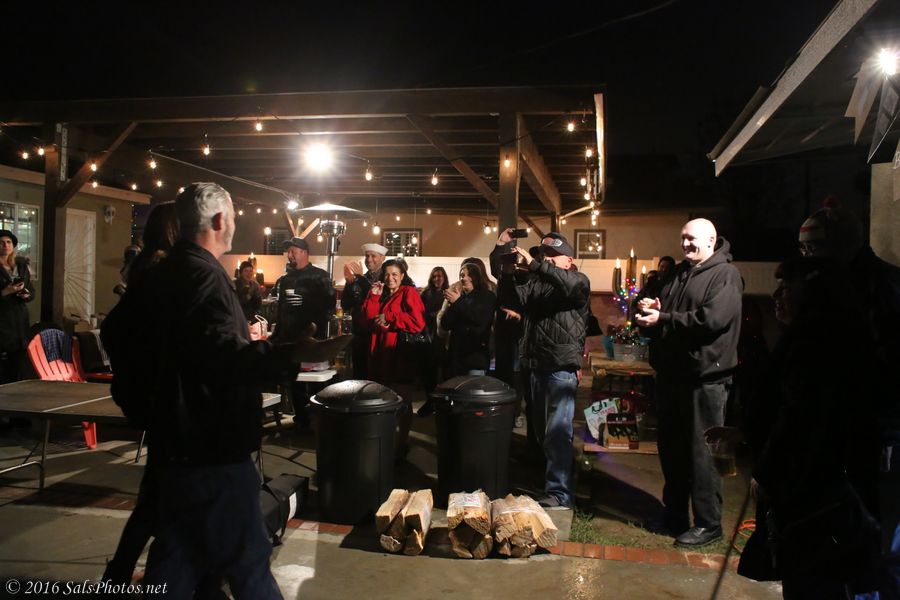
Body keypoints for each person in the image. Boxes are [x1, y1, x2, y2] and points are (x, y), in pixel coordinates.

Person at [134, 183, 348, 598]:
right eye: (232, 217)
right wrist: (289, 353)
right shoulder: (204, 276)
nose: (233, 224)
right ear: (219, 221)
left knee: (177, 558)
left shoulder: (166, 272)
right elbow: (225, 361)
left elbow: (133, 338)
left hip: (177, 441)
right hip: (214, 446)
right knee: (248, 560)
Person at [736, 257, 880, 598]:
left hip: (814, 491)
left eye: (787, 287)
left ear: (813, 292)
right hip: (809, 485)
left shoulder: (817, 342)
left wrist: (768, 472)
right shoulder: (809, 335)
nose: (776, 296)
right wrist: (745, 433)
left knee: (812, 577)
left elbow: (800, 417)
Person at [635, 218, 743, 548]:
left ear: (711, 239)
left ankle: (709, 524)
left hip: (705, 380)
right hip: (673, 377)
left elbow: (712, 320)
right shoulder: (681, 273)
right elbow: (670, 314)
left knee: (702, 454)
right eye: (683, 238)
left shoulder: (725, 275)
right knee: (672, 451)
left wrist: (665, 318)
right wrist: (656, 309)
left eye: (692, 238)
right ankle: (675, 516)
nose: (685, 244)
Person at [511, 232, 590, 510]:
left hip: (560, 367)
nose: (546, 260)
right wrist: (512, 271)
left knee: (557, 432)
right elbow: (515, 299)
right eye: (544, 256)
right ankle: (551, 484)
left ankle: (560, 493)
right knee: (543, 432)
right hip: (537, 364)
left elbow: (567, 286)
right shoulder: (538, 283)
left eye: (553, 256)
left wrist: (536, 265)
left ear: (569, 260)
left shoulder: (578, 281)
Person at [361, 258, 426, 458]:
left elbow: (418, 322)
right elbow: (367, 320)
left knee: (402, 402)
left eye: (395, 274)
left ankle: (400, 444)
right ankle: (385, 442)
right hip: (380, 356)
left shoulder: (409, 292)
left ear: (402, 276)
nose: (390, 278)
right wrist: (373, 297)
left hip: (399, 356)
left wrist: (390, 316)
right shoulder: (381, 294)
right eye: (387, 274)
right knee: (382, 402)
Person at [271, 237, 335, 342]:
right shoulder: (285, 280)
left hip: (311, 341)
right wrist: (275, 336)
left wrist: (307, 302)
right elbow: (281, 312)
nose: (289, 256)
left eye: (293, 252)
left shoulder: (320, 276)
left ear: (304, 252)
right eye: (288, 252)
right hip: (286, 341)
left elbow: (330, 305)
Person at [441, 262, 495, 377]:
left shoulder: (487, 296)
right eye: (462, 275)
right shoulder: (460, 298)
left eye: (469, 275)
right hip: (456, 360)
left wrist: (458, 302)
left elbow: (479, 320)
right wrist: (453, 305)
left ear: (477, 277)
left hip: (475, 359)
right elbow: (445, 324)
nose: (464, 278)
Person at [341, 242, 387, 378]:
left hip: (378, 334)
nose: (369, 259)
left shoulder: (387, 278)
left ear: (383, 258)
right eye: (367, 256)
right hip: (360, 334)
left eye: (373, 256)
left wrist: (360, 279)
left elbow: (378, 299)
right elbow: (345, 304)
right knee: (360, 374)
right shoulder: (360, 278)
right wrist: (349, 283)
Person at [0, 229, 34, 385]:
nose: (5, 245)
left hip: (20, 321)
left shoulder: (20, 266)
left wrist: (26, 295)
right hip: (3, 321)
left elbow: (32, 291)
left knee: (19, 366)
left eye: (8, 242)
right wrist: (5, 292)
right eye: (1, 242)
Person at [417, 266, 449, 416]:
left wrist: (439, 315)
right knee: (428, 372)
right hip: (428, 336)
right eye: (435, 276)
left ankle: (442, 402)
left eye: (440, 276)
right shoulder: (425, 294)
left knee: (443, 372)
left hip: (443, 337)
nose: (437, 279)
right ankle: (430, 401)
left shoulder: (448, 293)